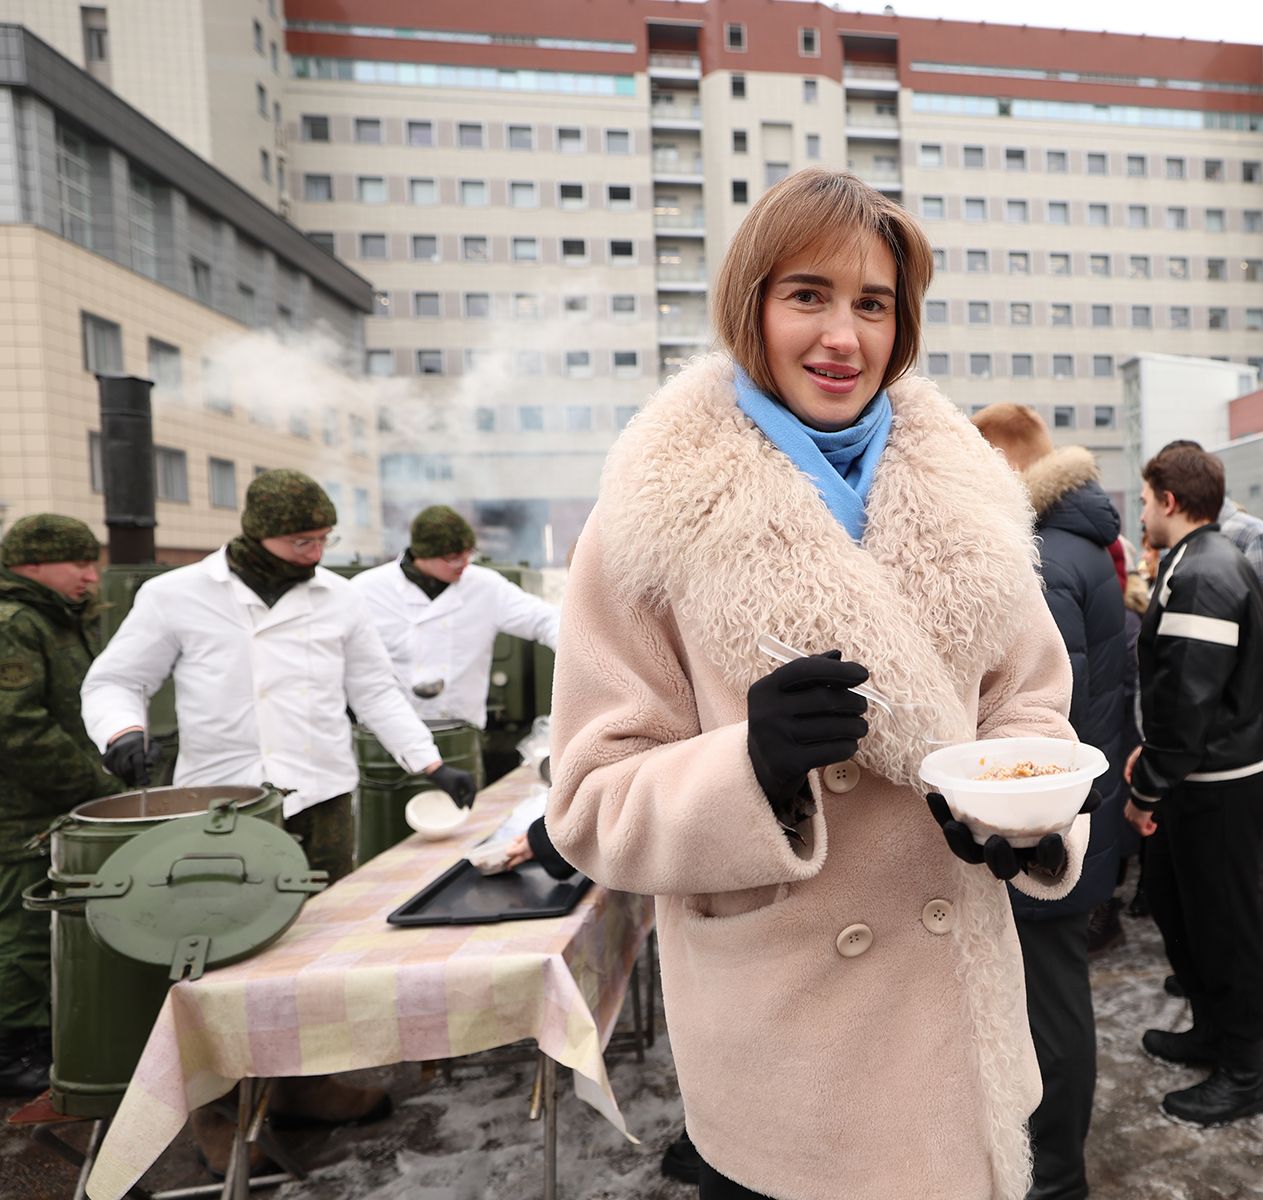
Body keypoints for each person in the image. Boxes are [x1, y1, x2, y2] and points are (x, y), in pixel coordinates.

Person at [543, 168, 1089, 1200]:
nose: (843, 336)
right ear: (751, 306)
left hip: (956, 1022)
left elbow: (1027, 706)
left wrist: (1028, 813)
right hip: (787, 1057)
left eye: (873, 304)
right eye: (808, 295)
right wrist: (749, 770)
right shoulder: (648, 516)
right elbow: (588, 802)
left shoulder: (975, 495)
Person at [81, 471, 479, 1163]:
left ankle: (305, 1087)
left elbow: (374, 690)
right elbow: (118, 679)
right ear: (258, 533)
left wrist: (428, 763)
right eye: (301, 540)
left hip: (321, 796)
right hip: (221, 808)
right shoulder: (177, 595)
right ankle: (219, 1115)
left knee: (312, 953)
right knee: (217, 959)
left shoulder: (339, 599)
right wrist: (120, 732)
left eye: (323, 538)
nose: (315, 552)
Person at [971, 402, 1127, 1200]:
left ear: (1002, 466)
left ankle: (1056, 1176)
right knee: (1051, 994)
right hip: (1079, 808)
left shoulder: (1041, 557)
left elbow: (1045, 712)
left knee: (1049, 1006)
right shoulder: (1076, 541)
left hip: (1053, 820)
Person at [1125, 442, 1263, 1128]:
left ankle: (1245, 1073)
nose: (1140, 514)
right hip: (1204, 771)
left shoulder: (1203, 571)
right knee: (1186, 911)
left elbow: (1189, 695)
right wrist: (1156, 761)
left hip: (1215, 780)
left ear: (1169, 500)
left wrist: (1149, 785)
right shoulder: (1199, 560)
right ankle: (1214, 1033)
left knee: (1224, 926)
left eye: (1144, 500)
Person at [0, 515, 122, 1098]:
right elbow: (16, 727)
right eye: (79, 563)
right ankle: (11, 1051)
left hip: (52, 804)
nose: (91, 576)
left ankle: (40, 1035)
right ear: (33, 564)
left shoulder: (57, 618)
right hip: (18, 812)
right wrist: (94, 787)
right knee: (20, 930)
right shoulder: (14, 624)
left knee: (42, 924)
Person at [351, 505, 560, 728]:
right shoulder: (367, 590)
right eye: (453, 558)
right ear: (423, 555)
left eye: (468, 553)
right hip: (386, 730)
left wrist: (576, 653)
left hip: (462, 729)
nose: (464, 563)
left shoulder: (485, 586)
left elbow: (544, 619)